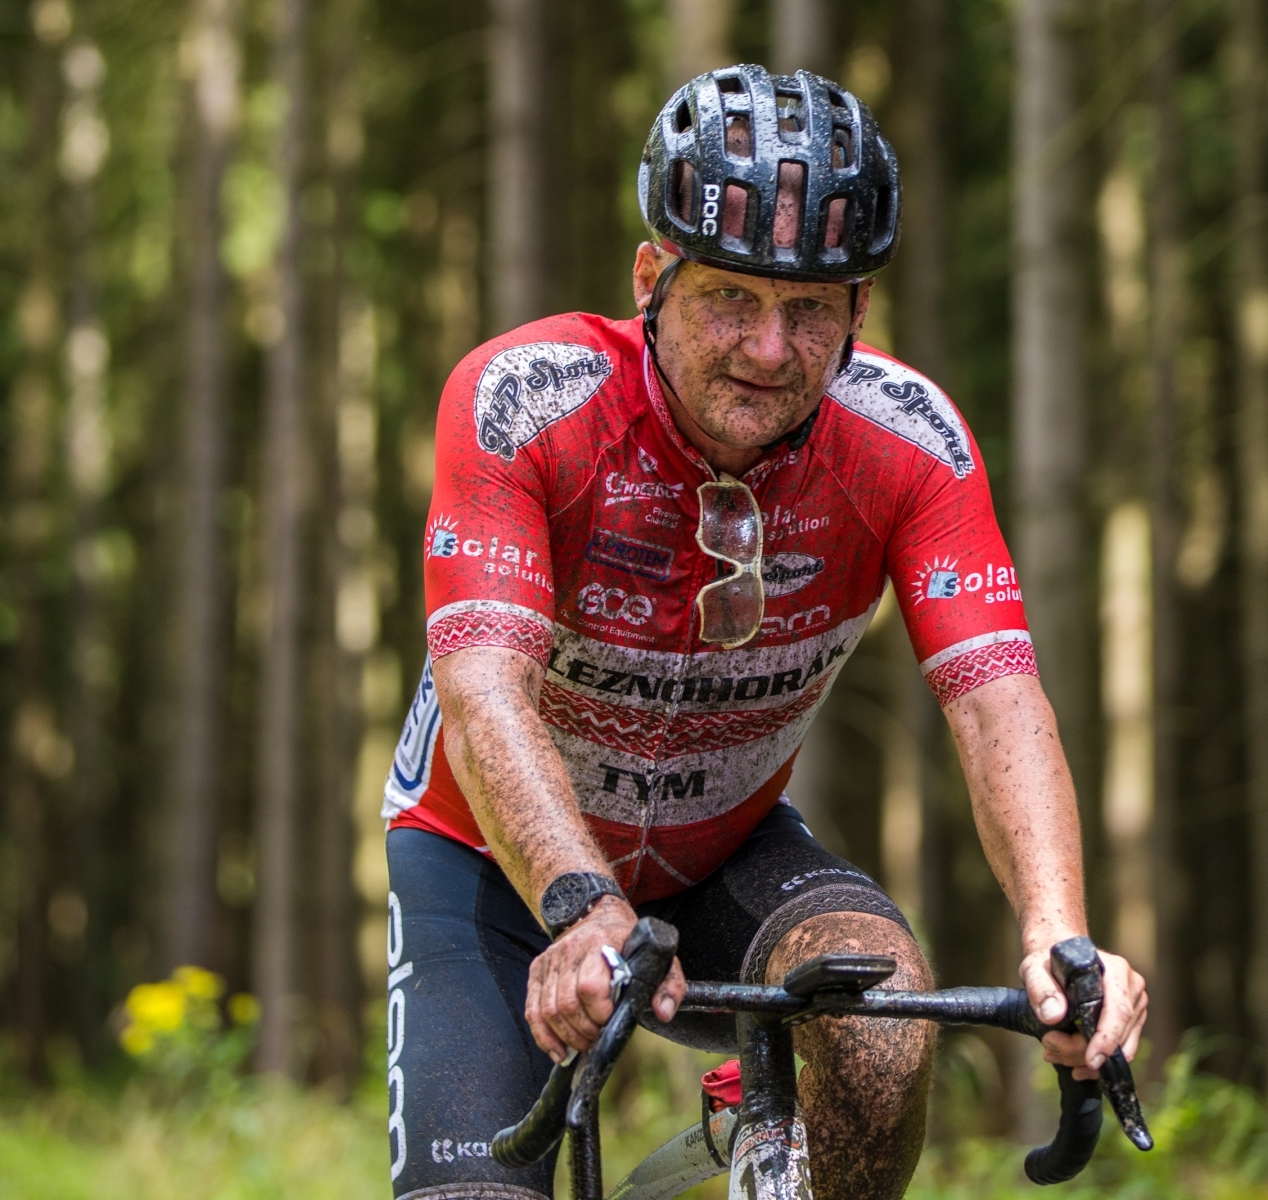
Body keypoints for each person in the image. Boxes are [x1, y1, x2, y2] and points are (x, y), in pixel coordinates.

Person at [379, 63, 1148, 1200]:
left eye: (811, 310)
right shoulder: (527, 402)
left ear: (860, 313)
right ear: (652, 280)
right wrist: (580, 904)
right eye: (729, 299)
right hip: (488, 861)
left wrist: (1059, 937)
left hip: (722, 852)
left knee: (880, 1023)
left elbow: (996, 698)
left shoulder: (908, 444)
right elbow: (486, 687)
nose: (771, 350)